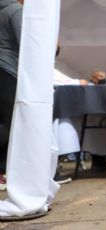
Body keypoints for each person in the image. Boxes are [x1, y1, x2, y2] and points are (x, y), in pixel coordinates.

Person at [0, 0, 23, 191]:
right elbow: (28, 43)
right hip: (8, 72)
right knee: (9, 123)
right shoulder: (14, 9)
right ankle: (2, 171)